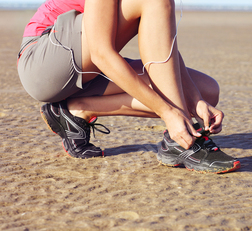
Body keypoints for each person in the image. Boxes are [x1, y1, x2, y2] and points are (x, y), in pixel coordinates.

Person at [17, 0, 240, 174]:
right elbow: (101, 54)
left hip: (84, 71)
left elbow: (163, 50)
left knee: (206, 91)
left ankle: (76, 110)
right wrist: (167, 112)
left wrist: (196, 99)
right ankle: (179, 141)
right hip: (43, 62)